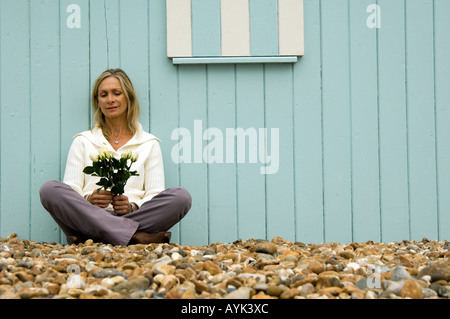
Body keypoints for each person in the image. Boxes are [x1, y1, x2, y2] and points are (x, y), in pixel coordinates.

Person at [40, 68, 191, 246]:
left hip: (132, 216)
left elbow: (154, 193)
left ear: (128, 97)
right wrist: (89, 199)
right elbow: (71, 189)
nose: (110, 99)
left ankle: (103, 235)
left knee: (181, 197)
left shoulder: (149, 143)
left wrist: (131, 206)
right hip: (88, 215)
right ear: (97, 102)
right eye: (103, 95)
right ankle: (134, 237)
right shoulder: (83, 141)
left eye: (116, 93)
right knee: (49, 190)